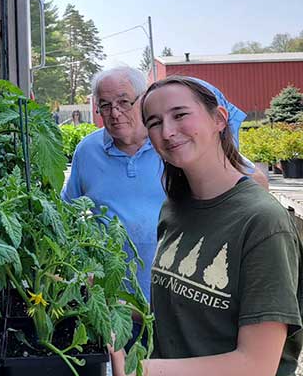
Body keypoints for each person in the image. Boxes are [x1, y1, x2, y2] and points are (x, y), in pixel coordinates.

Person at [110, 76, 302, 376]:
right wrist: (112, 309)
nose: (168, 131)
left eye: (180, 114)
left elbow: (256, 365)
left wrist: (139, 369)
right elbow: (182, 311)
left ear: (219, 119)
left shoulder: (263, 221)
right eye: (154, 122)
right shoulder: (174, 208)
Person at [61, 67, 267, 303]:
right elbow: (66, 213)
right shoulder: (87, 151)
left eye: (124, 102)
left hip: (182, 294)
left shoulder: (173, 143)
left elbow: (254, 182)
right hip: (115, 301)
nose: (115, 113)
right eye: (105, 105)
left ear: (143, 100)